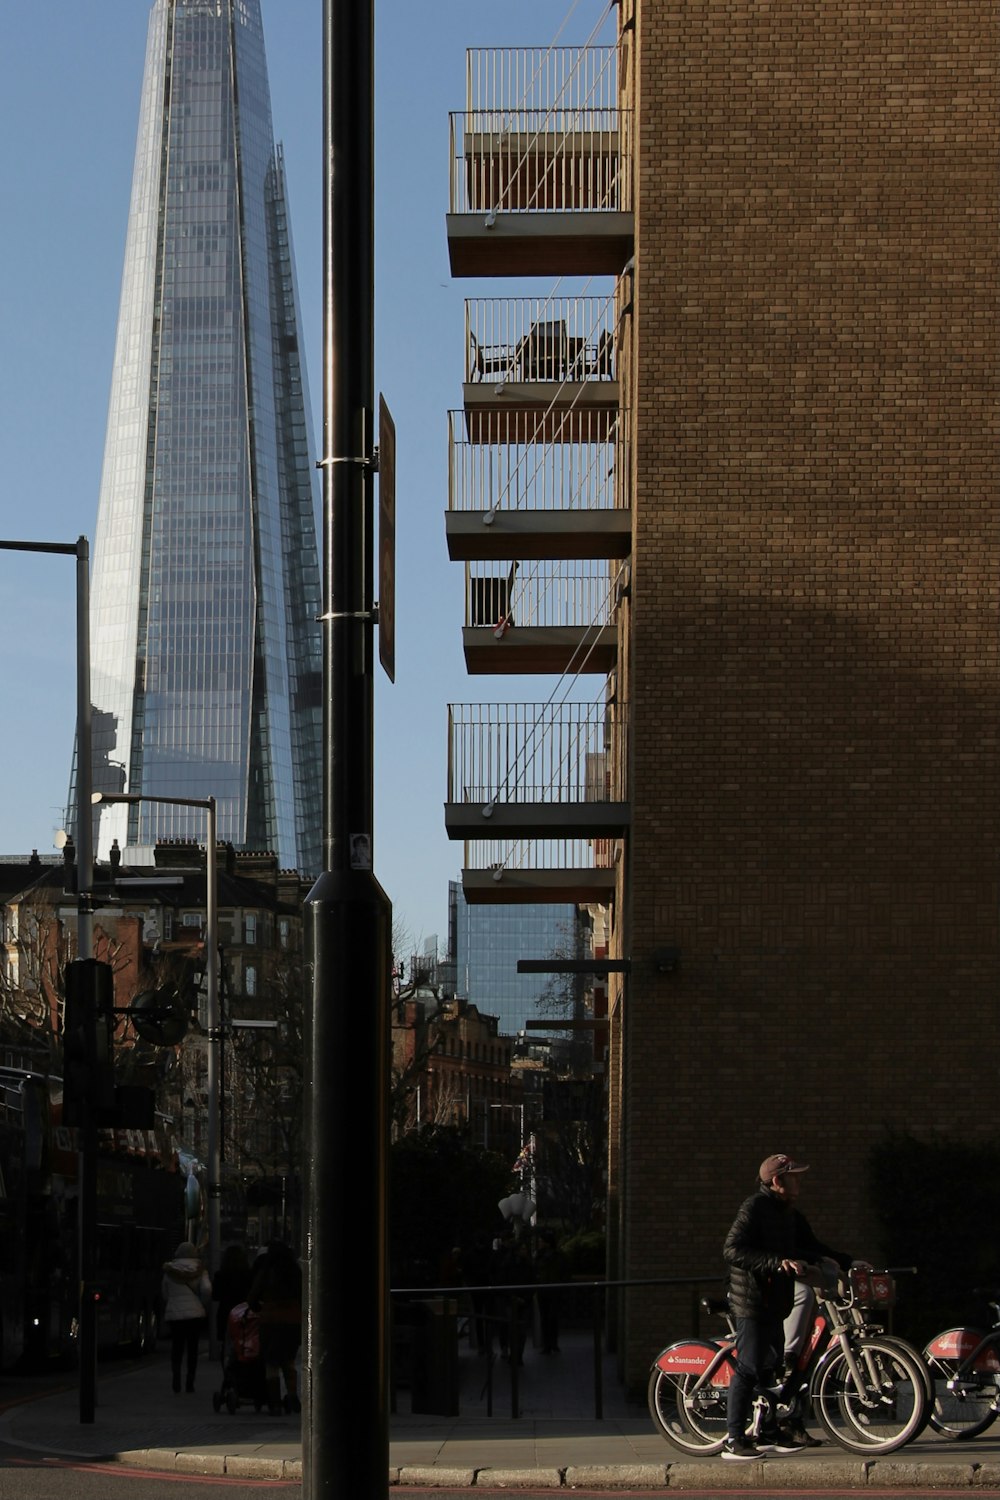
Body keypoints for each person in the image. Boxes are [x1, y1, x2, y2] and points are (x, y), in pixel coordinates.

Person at [721, 1153, 851, 1461]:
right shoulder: (754, 1207)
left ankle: (767, 1433)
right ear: (777, 1181)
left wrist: (846, 1261)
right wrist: (776, 1262)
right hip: (751, 1300)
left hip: (775, 1300)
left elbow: (812, 1247)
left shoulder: (789, 1214)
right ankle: (733, 1439)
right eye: (793, 1176)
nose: (799, 1181)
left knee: (771, 1368)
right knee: (750, 1368)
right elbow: (732, 1249)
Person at [249, 1241, 303, 1413]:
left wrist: (260, 1308)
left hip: (270, 1320)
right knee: (289, 1361)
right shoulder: (295, 1272)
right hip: (292, 1320)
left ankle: (275, 1403)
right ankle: (293, 1398)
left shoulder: (266, 1272)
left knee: (271, 1363)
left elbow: (252, 1298)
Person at [161, 1240, 212, 1394]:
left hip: (175, 1315)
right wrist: (201, 1303)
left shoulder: (169, 1271)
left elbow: (164, 1293)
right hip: (194, 1315)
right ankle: (190, 1382)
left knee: (177, 1348)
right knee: (192, 1349)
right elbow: (207, 1289)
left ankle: (176, 1378)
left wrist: (172, 1303)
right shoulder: (200, 1270)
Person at [212, 1242, 252, 1345]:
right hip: (244, 1310)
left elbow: (215, 1296)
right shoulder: (248, 1274)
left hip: (226, 1310)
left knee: (227, 1341)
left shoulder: (220, 1275)